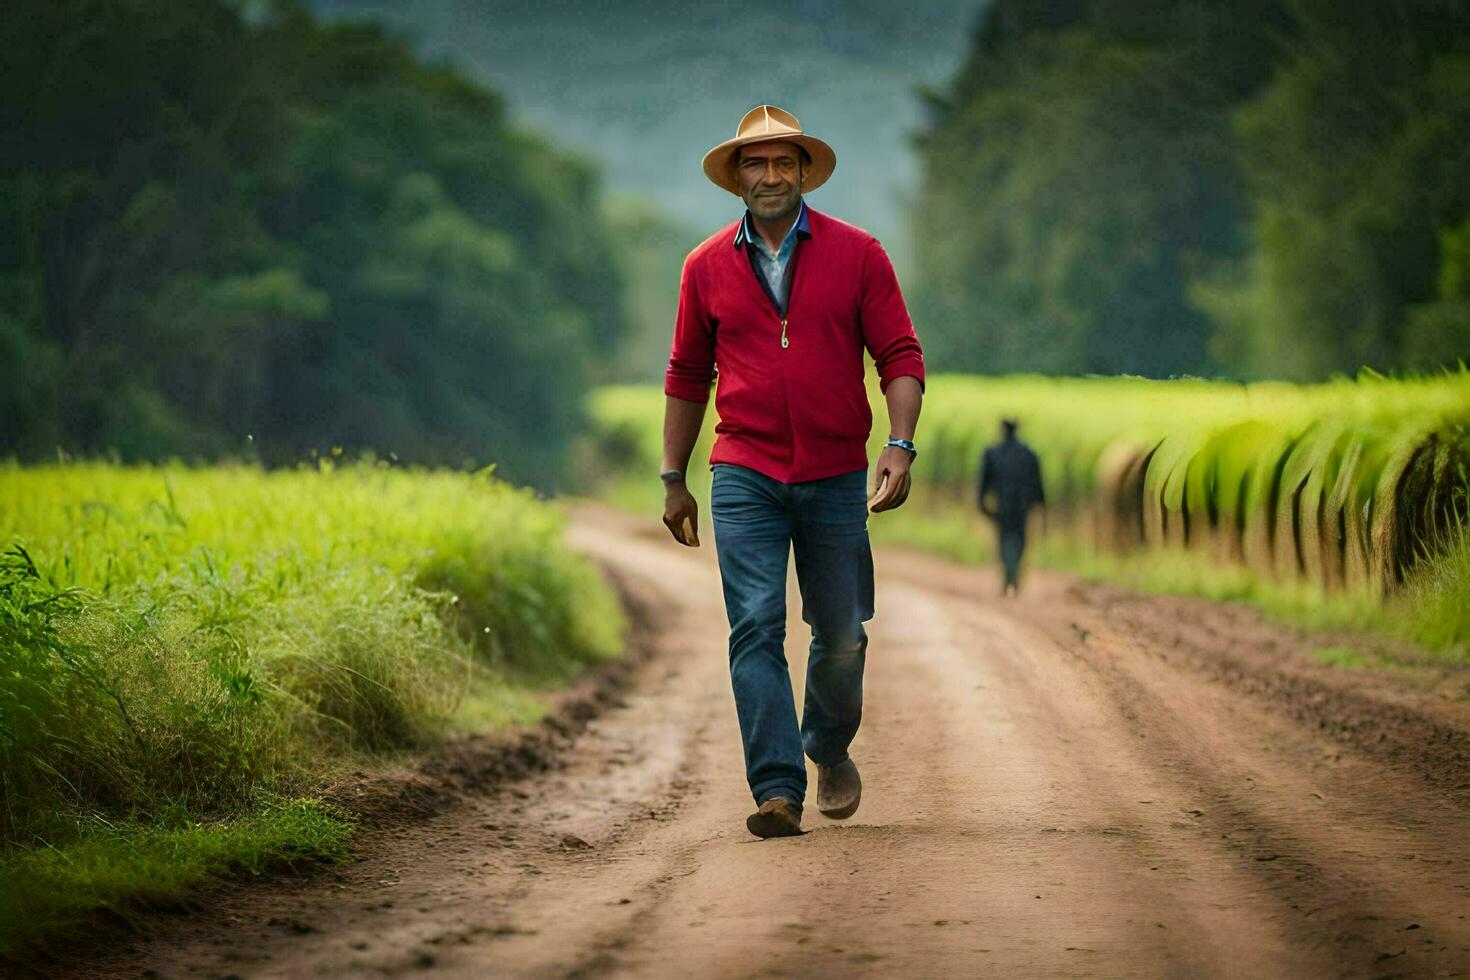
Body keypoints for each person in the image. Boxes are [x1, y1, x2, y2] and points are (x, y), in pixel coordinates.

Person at [659, 105, 926, 839]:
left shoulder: (858, 253)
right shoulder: (705, 266)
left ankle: (827, 745)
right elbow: (686, 373)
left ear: (804, 173)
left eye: (783, 163)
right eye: (755, 164)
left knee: (841, 634)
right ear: (736, 178)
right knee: (754, 626)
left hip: (837, 471)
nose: (770, 176)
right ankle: (777, 788)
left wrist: (899, 445)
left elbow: (900, 354)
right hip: (743, 470)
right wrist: (673, 477)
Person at [977, 418, 1045, 596]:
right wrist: (1040, 504)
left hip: (1002, 505)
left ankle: (1010, 575)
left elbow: (983, 484)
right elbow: (1038, 484)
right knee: (1020, 540)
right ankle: (1012, 575)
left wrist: (982, 505)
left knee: (1004, 540)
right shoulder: (1029, 454)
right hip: (1023, 505)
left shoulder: (992, 453)